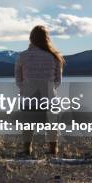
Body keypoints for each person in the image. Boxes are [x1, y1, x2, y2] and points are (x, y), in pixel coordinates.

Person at [15, 25, 64, 156]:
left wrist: (26, 89)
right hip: (49, 99)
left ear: (31, 38)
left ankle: (27, 149)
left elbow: (18, 80)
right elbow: (58, 81)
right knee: (52, 126)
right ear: (47, 39)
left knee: (27, 125)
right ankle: (53, 150)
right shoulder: (55, 57)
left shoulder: (22, 56)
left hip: (28, 100)